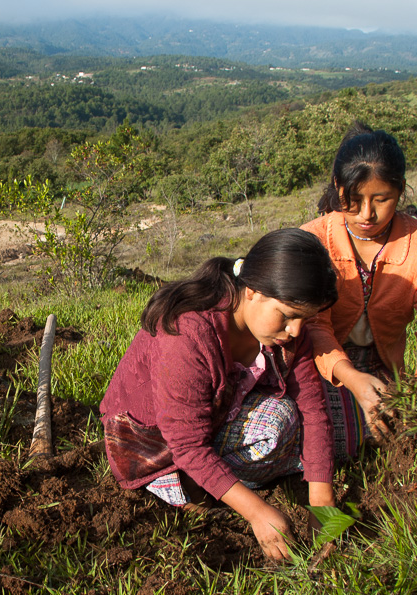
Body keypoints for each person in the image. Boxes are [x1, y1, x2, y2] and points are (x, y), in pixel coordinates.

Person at [101, 229, 339, 560]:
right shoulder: (188, 333)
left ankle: (215, 481)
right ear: (253, 292)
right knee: (279, 427)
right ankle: (189, 487)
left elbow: (314, 409)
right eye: (287, 316)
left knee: (312, 417)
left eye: (305, 318)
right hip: (155, 442)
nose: (296, 330)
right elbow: (185, 444)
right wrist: (257, 513)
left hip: (212, 415)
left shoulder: (286, 332)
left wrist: (323, 503)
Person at [300, 123, 417, 455]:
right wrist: (352, 379)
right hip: (319, 362)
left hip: (382, 366)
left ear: (400, 191)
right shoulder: (314, 239)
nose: (366, 214)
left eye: (381, 200)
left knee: (407, 424)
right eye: (353, 200)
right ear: (337, 187)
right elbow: (313, 325)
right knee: (336, 439)